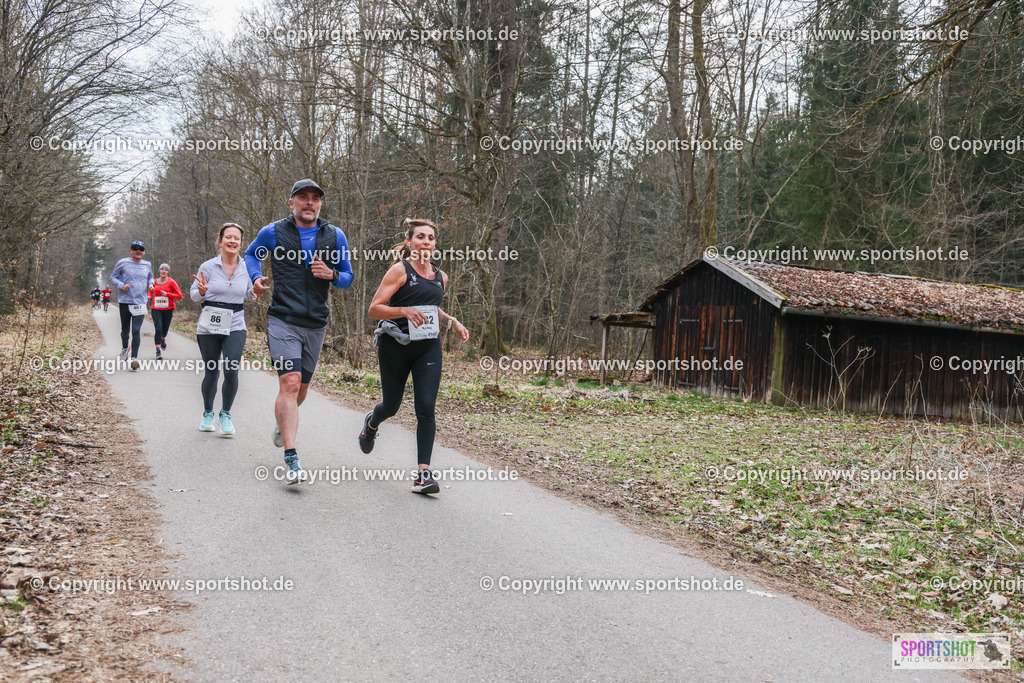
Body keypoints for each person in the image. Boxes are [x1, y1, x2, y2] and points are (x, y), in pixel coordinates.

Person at [244, 179, 353, 484]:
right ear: (290, 202)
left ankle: (283, 424)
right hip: (283, 318)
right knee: (290, 384)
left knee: (301, 390)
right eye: (302, 197)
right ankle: (292, 458)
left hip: (316, 323)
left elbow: (347, 278)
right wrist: (255, 278)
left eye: (315, 199)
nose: (309, 203)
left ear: (320, 204)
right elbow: (251, 254)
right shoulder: (274, 231)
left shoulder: (335, 235)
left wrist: (331, 274)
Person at [360, 218, 469, 494]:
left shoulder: (441, 277)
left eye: (431, 238)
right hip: (395, 345)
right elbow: (374, 309)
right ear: (409, 242)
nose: (426, 242)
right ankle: (372, 423)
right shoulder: (399, 271)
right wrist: (403, 311)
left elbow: (430, 308)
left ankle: (423, 475)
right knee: (392, 406)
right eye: (420, 237)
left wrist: (451, 320)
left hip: (427, 347)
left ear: (435, 243)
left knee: (425, 407)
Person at [191, 224, 262, 437]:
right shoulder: (209, 266)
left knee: (231, 369)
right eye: (228, 237)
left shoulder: (248, 266)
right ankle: (207, 413)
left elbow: (250, 294)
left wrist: (256, 291)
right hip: (209, 325)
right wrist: (201, 291)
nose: (232, 241)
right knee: (212, 371)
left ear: (241, 243)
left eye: (237, 238)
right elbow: (194, 295)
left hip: (236, 324)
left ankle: (226, 414)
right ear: (220, 241)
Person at [109, 241, 154, 371]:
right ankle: (124, 348)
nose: (138, 251)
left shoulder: (147, 264)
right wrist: (121, 285)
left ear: (144, 252)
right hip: (125, 301)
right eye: (135, 249)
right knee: (125, 330)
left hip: (140, 302)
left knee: (136, 330)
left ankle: (134, 358)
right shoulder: (123, 263)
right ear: (131, 251)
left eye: (141, 249)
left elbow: (150, 277)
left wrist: (151, 284)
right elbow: (113, 277)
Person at [149, 263, 183, 360]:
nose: (164, 271)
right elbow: (150, 291)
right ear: (159, 271)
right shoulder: (154, 281)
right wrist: (149, 296)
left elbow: (179, 295)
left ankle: (162, 339)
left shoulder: (171, 282)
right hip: (156, 308)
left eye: (166, 270)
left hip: (168, 309)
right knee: (158, 328)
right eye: (162, 269)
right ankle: (158, 351)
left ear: (168, 272)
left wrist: (168, 294)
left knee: (164, 329)